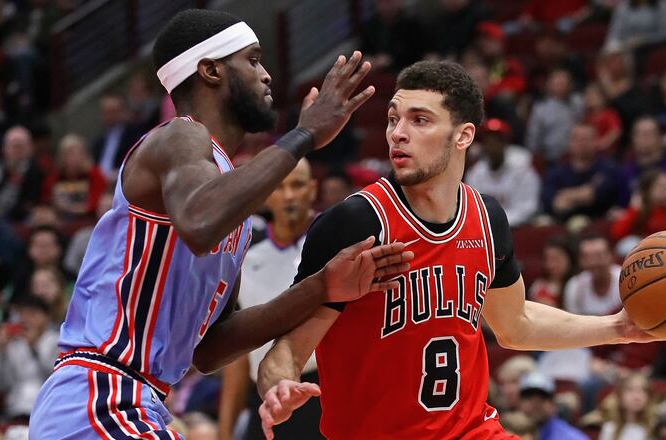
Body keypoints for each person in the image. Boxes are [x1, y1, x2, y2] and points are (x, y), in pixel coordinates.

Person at [28, 9, 412, 439]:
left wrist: (322, 287)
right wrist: (304, 134)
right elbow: (199, 220)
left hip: (137, 400)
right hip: (100, 393)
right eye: (252, 60)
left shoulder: (231, 203)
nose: (267, 75)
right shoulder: (180, 137)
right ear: (210, 70)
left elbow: (209, 349)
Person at [256, 60, 658, 440]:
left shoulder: (487, 219)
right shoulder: (355, 224)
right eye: (393, 118)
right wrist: (277, 386)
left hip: (473, 430)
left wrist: (617, 327)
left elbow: (515, 324)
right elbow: (288, 349)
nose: (398, 132)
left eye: (419, 120)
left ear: (463, 135)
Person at [217, 159, 323, 440]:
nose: (289, 196)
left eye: (297, 185)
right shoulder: (245, 258)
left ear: (313, 190)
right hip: (265, 399)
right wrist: (224, 432)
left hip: (323, 395)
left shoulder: (333, 245)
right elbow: (237, 359)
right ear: (267, 195)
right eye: (279, 187)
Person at [465, 118, 540, 226]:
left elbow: (528, 209)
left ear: (506, 143)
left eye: (497, 140)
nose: (492, 145)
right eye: (489, 140)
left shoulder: (523, 171)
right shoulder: (476, 172)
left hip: (517, 228)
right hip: (485, 229)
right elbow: (471, 209)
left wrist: (498, 223)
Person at [517, 371, 588, 440]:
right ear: (519, 402)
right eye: (529, 397)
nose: (535, 404)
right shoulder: (509, 432)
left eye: (542, 397)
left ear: (553, 404)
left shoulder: (570, 437)